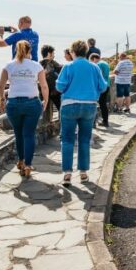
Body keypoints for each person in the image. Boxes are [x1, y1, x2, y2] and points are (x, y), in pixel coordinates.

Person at [56, 40, 109, 186]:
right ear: (86, 52)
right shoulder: (94, 67)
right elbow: (103, 86)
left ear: (72, 52)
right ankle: (83, 173)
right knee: (84, 140)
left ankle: (67, 173)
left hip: (69, 105)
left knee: (67, 140)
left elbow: (60, 87)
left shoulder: (68, 66)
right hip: (89, 106)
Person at [0, 41, 49, 179]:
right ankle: (27, 164)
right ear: (29, 51)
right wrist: (45, 100)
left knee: (18, 134)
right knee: (29, 134)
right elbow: (44, 86)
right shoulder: (36, 65)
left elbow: (0, 86)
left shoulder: (8, 65)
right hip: (32, 103)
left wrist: (2, 100)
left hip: (13, 103)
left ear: (16, 50)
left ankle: (20, 160)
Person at [89, 53, 111, 127]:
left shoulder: (98, 65)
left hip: (100, 87)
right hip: (107, 85)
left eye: (91, 61)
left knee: (94, 104)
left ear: (94, 59)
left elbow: (96, 76)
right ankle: (105, 121)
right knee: (103, 104)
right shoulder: (105, 63)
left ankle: (93, 123)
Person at [40, 45, 62, 111]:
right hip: (54, 91)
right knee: (61, 109)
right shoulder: (53, 63)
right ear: (49, 53)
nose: (54, 55)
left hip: (42, 91)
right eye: (53, 53)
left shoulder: (38, 64)